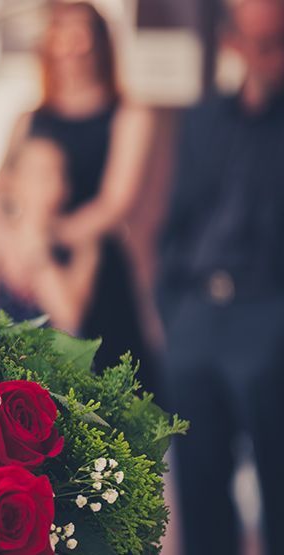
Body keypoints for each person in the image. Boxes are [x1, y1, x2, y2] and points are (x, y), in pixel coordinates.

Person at [157, 1, 284, 553]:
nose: (263, 56)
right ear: (232, 41)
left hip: (270, 314)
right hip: (199, 315)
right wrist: (174, 311)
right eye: (253, 41)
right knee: (201, 488)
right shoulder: (204, 119)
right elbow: (179, 217)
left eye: (274, 41)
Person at [0, 2, 157, 390]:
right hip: (24, 266)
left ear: (101, 44)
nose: (71, 49)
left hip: (90, 262)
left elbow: (114, 204)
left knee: (104, 393)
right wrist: (13, 252)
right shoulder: (29, 118)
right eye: (60, 37)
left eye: (81, 38)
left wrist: (41, 244)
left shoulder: (129, 113)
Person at [0, 139, 99, 334]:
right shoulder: (2, 240)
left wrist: (36, 240)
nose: (49, 182)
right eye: (38, 174)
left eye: (57, 173)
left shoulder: (82, 242)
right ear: (14, 182)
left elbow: (68, 318)